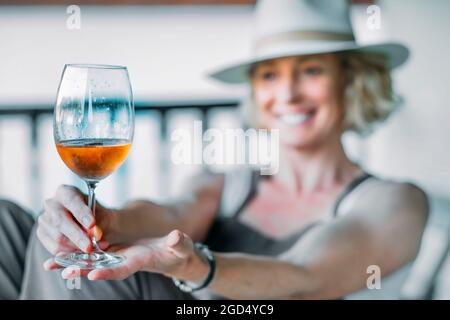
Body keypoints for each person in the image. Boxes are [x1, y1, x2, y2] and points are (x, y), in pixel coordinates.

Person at [0, 0, 428, 300]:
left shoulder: (395, 201)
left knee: (85, 269)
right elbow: (170, 213)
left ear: (351, 81)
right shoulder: (230, 183)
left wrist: (193, 267)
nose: (288, 94)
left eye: (311, 70)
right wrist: (104, 221)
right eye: (269, 76)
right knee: (16, 226)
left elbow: (304, 276)